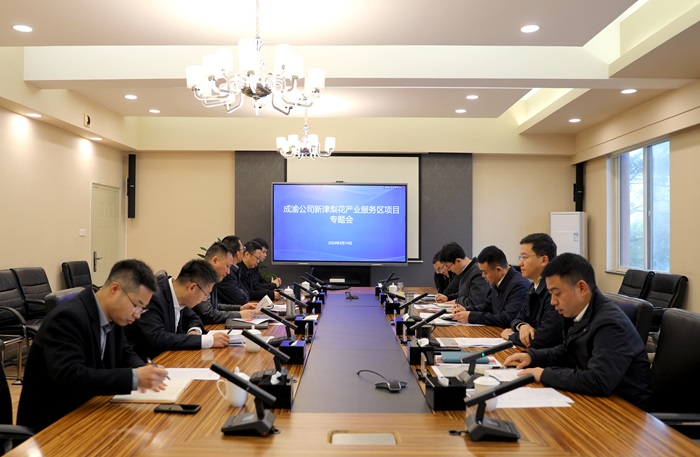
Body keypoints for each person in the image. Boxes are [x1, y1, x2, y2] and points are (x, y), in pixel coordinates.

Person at [17, 259, 168, 432]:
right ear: (115, 290)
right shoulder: (68, 317)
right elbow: (70, 376)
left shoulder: (115, 315)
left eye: (142, 309)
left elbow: (124, 352)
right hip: (53, 426)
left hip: (88, 412)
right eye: (136, 306)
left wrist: (143, 368)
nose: (138, 315)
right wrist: (134, 378)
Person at [504, 253, 652, 409]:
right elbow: (568, 350)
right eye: (550, 294)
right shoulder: (577, 312)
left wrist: (543, 374)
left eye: (557, 293)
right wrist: (532, 357)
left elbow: (598, 380)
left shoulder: (610, 324)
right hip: (598, 401)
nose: (553, 302)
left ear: (581, 288)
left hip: (626, 411)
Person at [126, 259, 230, 360]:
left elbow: (193, 317)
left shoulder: (180, 296)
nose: (204, 299)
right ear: (192, 288)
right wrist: (207, 340)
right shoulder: (153, 297)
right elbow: (158, 338)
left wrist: (194, 330)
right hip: (148, 362)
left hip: (170, 358)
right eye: (206, 294)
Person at [502, 233, 564, 348]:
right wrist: (522, 326)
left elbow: (544, 338)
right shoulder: (534, 285)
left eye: (525, 257)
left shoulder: (555, 290)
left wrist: (511, 336)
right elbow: (517, 318)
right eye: (521, 258)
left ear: (544, 260)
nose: (520, 263)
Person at [450, 245, 529, 326]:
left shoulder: (519, 285)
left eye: (485, 272)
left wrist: (470, 316)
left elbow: (507, 318)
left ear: (498, 270)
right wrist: (466, 309)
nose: (483, 275)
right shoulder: (497, 280)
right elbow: (487, 306)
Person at [192, 241, 256, 324]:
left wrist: (240, 308)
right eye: (227, 266)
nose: (228, 272)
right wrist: (239, 315)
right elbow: (208, 314)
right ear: (215, 260)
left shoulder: (210, 278)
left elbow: (215, 306)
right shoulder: (200, 278)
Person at [436, 241, 490, 307]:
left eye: (448, 266)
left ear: (458, 261)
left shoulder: (477, 273)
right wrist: (448, 298)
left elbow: (475, 301)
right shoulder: (465, 271)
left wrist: (453, 302)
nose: (449, 270)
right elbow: (464, 294)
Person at [216, 235, 252, 307]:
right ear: (238, 254)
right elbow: (241, 299)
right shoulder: (226, 274)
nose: (228, 271)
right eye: (243, 249)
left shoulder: (235, 270)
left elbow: (246, 294)